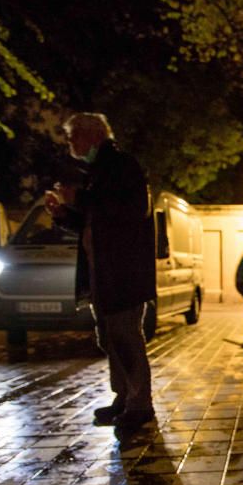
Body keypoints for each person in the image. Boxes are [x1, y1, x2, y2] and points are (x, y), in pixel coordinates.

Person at [45, 113, 156, 430]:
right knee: (109, 337)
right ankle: (124, 397)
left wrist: (80, 198)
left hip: (121, 272)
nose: (70, 145)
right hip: (104, 273)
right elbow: (93, 222)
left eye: (73, 137)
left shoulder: (120, 166)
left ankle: (140, 403)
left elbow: (129, 213)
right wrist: (65, 212)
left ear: (92, 135)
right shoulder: (99, 172)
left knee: (125, 336)